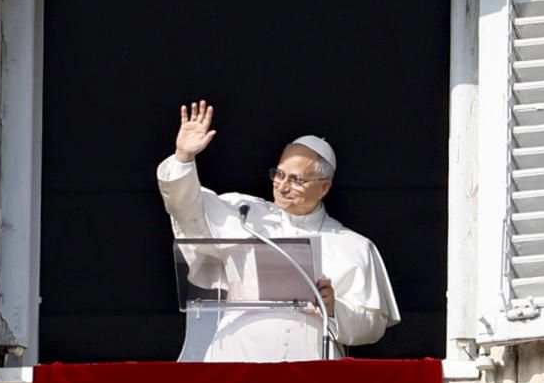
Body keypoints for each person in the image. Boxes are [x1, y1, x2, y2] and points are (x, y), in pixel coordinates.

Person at [157, 100, 400, 361]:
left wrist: (333, 307)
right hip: (236, 356)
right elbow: (187, 211)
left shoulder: (353, 246)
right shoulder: (243, 213)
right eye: (279, 174)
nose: (282, 186)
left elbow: (372, 325)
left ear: (324, 187)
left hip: (311, 366)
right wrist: (184, 158)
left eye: (296, 180)